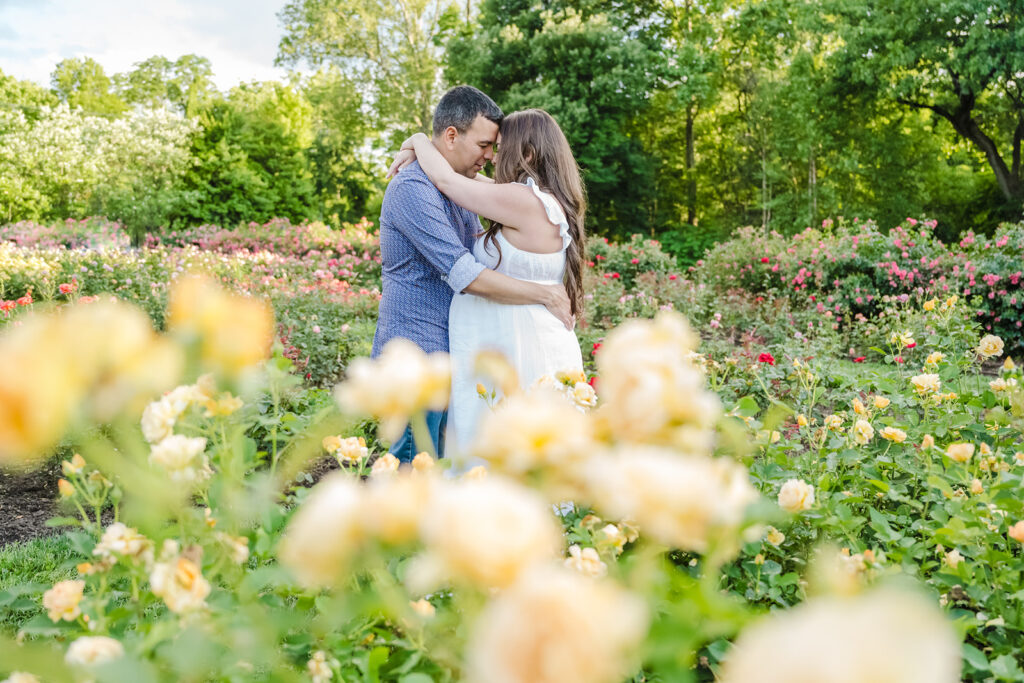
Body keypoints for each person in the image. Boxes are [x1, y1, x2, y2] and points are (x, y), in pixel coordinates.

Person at [373, 86, 573, 463]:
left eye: (495, 146)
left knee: (448, 462)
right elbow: (464, 272)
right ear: (451, 135)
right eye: (484, 144)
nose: (490, 156)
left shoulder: (459, 187)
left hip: (454, 352)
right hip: (418, 349)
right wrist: (544, 293)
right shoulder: (413, 189)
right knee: (413, 460)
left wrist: (416, 140)